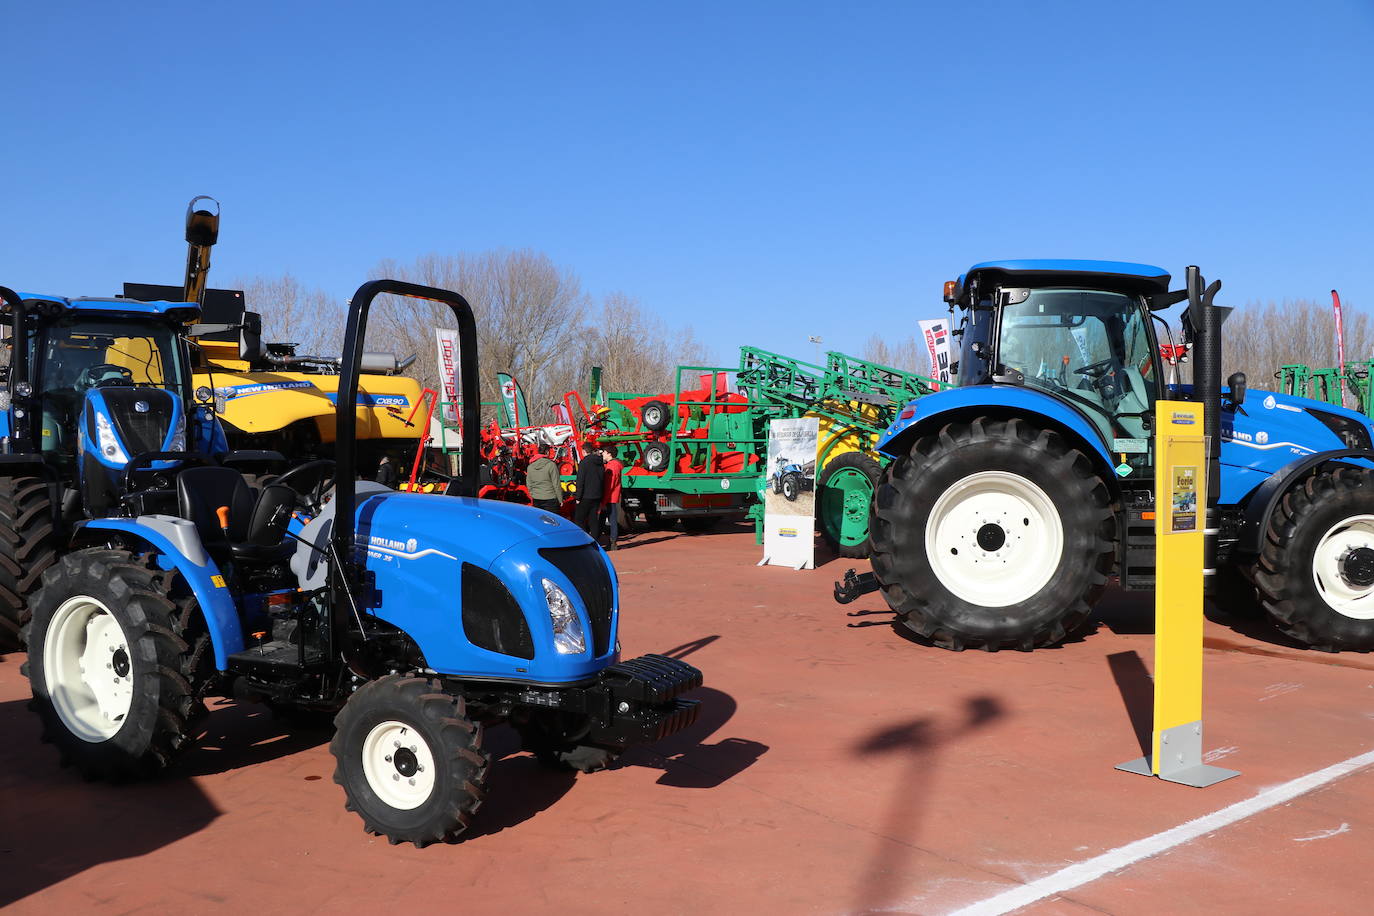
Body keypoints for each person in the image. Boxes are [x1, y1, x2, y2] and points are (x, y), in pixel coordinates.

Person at [573, 448, 605, 538]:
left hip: (585, 496)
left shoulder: (584, 463)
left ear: (584, 451)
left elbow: (580, 481)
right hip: (597, 495)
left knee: (579, 520)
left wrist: (578, 497)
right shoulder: (600, 463)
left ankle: (584, 538)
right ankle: (595, 540)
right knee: (593, 520)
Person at [600, 446, 623, 550]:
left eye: (604, 452)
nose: (602, 454)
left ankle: (612, 542)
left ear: (609, 453)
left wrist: (603, 501)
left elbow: (609, 485)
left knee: (610, 519)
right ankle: (612, 541)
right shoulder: (615, 465)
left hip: (610, 497)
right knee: (611, 519)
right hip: (612, 497)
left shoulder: (612, 466)